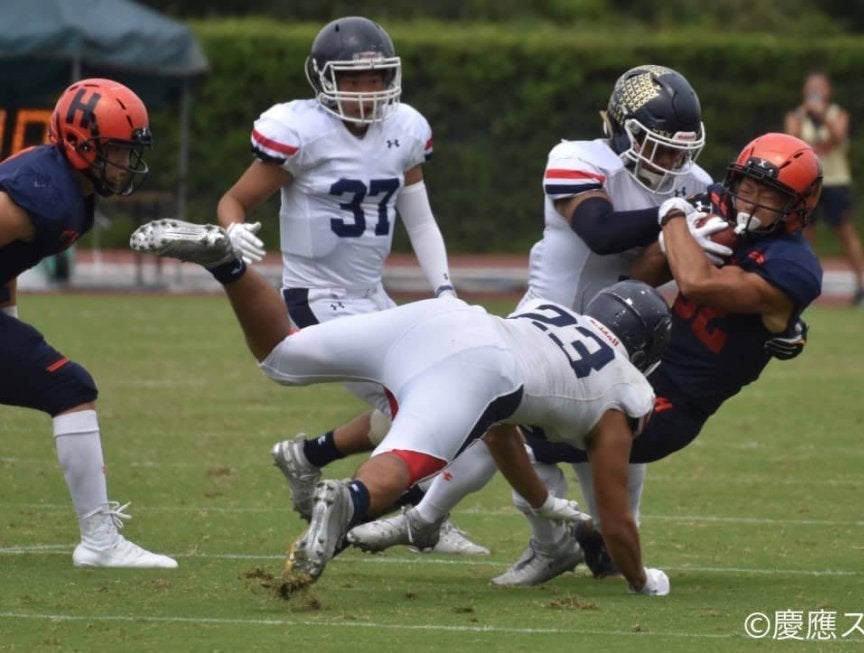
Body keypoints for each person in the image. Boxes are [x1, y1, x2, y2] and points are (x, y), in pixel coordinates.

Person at [348, 131, 820, 588]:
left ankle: (461, 526)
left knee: (515, 432)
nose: (750, 201)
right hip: (628, 362)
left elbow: (698, 284)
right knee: (507, 417)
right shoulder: (705, 198)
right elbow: (637, 279)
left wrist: (675, 217)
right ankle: (577, 541)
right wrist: (668, 243)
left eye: (770, 195)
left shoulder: (792, 265)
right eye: (746, 186)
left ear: (797, 206)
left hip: (674, 402)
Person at [130, 216, 676, 596]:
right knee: (406, 460)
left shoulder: (559, 317)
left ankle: (228, 264)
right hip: (481, 366)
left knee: (281, 355)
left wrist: (540, 500)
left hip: (445, 319)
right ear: (646, 351)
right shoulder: (623, 389)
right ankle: (349, 500)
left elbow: (499, 430)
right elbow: (614, 520)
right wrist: (641, 579)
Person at [346, 64, 714, 580]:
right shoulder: (578, 160)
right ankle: (450, 524)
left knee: (615, 476)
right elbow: (601, 231)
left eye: (682, 151)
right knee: (498, 434)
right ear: (622, 130)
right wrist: (673, 213)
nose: (674, 163)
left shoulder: (695, 184)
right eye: (661, 147)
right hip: (546, 326)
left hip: (620, 340)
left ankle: (579, 543)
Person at [213, 16, 484, 554]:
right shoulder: (302, 131)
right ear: (323, 79)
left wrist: (445, 290)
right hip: (315, 298)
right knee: (425, 402)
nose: (365, 91)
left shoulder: (404, 130)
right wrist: (232, 231)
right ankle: (421, 518)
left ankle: (308, 457)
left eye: (375, 78)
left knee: (415, 400)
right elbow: (233, 200)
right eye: (352, 79)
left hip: (372, 298)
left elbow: (420, 220)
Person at [0, 78, 177, 569]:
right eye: (116, 150)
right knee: (70, 387)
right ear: (80, 143)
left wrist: (11, 327)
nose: (124, 162)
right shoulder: (45, 194)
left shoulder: (68, 189)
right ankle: (100, 543)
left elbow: (6, 261)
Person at [784, 70, 864, 306]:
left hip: (835, 181)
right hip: (806, 183)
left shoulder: (838, 114)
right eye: (811, 86)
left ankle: (862, 286)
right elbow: (792, 142)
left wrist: (822, 116)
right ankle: (800, 284)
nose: (815, 90)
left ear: (829, 91)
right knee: (804, 234)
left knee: (845, 233)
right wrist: (805, 116)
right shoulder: (796, 115)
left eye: (820, 86)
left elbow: (838, 138)